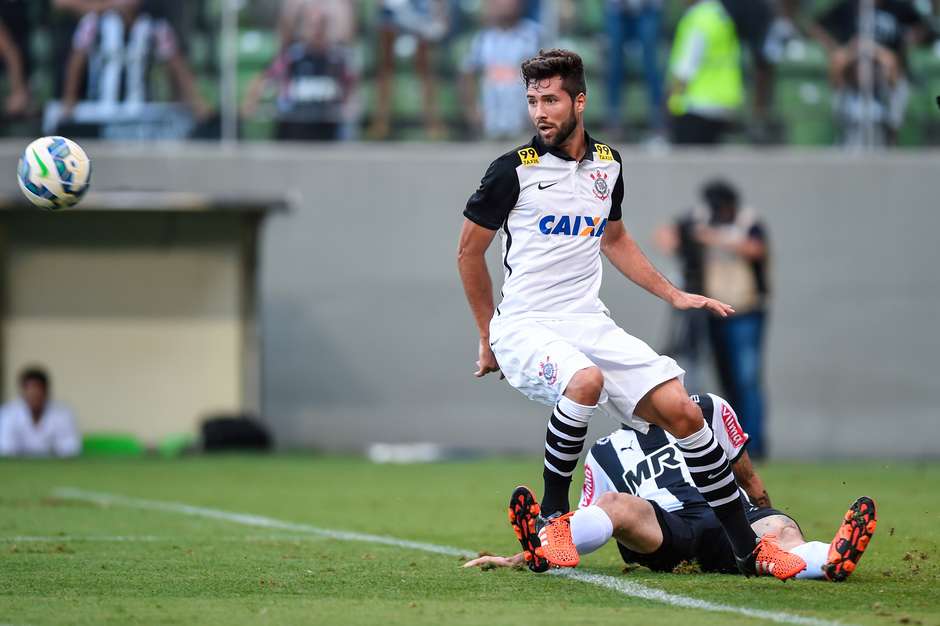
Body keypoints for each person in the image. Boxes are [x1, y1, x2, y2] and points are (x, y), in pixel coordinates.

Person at [456, 48, 802, 578]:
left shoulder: (608, 164)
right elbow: (468, 253)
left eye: (550, 100)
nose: (540, 112)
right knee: (585, 381)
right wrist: (487, 336)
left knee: (685, 412)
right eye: (532, 101)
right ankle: (552, 518)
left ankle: (745, 547)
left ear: (580, 101)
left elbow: (613, 238)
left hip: (587, 320)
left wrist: (674, 294)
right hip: (525, 323)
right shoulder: (512, 171)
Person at [469, 394, 877, 582]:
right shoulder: (604, 450)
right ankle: (542, 550)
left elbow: (751, 481)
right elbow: (592, 519)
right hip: (667, 530)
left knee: (779, 531)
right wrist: (520, 557)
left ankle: (829, 560)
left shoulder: (708, 408)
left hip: (731, 524)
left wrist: (770, 517)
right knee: (615, 503)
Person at [656, 180, 771, 457]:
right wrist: (686, 240)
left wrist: (714, 238)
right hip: (713, 310)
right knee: (725, 377)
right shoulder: (699, 218)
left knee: (746, 378)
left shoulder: (747, 221)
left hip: (745, 310)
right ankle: (734, 443)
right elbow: (665, 236)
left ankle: (754, 445)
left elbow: (757, 249)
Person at [60, 0, 210, 124]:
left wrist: (195, 102)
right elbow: (77, 60)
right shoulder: (94, 21)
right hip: (100, 111)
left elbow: (176, 64)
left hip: (140, 114)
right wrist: (69, 100)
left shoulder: (157, 25)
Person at [810, 0, 933, 146]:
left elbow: (924, 28)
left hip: (886, 67)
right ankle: (840, 121)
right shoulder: (848, 6)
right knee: (839, 60)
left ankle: (892, 128)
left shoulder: (899, 6)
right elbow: (815, 26)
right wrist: (836, 47)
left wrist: (905, 43)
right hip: (853, 63)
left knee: (889, 61)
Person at [242, 4, 357, 141]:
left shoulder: (338, 59)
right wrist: (250, 102)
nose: (317, 30)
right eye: (312, 25)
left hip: (327, 131)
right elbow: (263, 79)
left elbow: (351, 87)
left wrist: (348, 106)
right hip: (293, 129)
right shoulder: (290, 57)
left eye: (321, 24)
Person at [459, 0, 541, 140]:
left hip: (525, 126)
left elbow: (549, 75)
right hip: (490, 125)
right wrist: (472, 112)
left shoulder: (535, 35)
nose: (505, 4)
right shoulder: (482, 38)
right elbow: (467, 74)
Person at [666, 0, 744, 145]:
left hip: (695, 107)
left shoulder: (697, 20)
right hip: (722, 105)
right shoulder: (721, 15)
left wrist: (670, 103)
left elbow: (685, 70)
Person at [368, 0, 449, 139]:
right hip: (392, 8)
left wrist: (440, 13)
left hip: (420, 8)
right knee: (386, 68)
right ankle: (380, 123)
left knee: (425, 69)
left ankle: (433, 123)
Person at [604, 0, 665, 139]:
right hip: (618, 9)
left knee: (651, 62)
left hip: (648, 8)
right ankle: (614, 117)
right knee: (614, 61)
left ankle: (658, 118)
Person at [0, 367, 81, 458]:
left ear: (46, 391)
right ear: (22, 391)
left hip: (54, 464)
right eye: (30, 390)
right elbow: (5, 449)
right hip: (17, 464)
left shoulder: (62, 414)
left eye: (38, 389)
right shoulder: (8, 413)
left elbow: (70, 448)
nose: (34, 395)